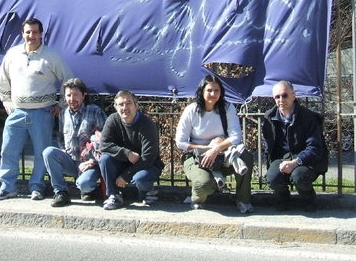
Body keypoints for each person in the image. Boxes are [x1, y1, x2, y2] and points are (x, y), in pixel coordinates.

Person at [0, 17, 75, 201]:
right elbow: (2, 80)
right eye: (28, 32)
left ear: (41, 33)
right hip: (17, 111)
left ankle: (37, 187)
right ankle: (7, 187)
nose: (31, 36)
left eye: (35, 32)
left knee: (41, 152)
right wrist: (6, 100)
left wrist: (61, 104)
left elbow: (68, 79)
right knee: (8, 150)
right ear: (23, 34)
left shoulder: (51, 56)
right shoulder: (12, 55)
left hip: (43, 112)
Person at [175, 74, 254, 213]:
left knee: (245, 156)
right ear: (202, 91)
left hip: (222, 156)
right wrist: (207, 148)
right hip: (196, 157)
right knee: (203, 184)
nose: (213, 94)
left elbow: (236, 136)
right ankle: (197, 198)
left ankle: (243, 200)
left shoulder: (227, 108)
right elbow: (180, 142)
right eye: (209, 90)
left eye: (217, 90)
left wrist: (217, 148)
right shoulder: (191, 110)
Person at [262, 80, 328, 212]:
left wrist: (295, 162)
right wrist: (274, 165)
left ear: (294, 96)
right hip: (282, 158)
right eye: (277, 96)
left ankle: (309, 200)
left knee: (299, 177)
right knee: (271, 178)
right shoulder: (269, 117)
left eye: (285, 95)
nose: (281, 99)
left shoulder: (308, 117)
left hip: (307, 160)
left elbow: (315, 148)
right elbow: (269, 147)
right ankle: (283, 199)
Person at [43, 78, 107, 207]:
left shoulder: (95, 111)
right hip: (71, 160)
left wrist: (92, 161)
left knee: (85, 184)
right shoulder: (63, 114)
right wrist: (62, 149)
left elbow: (106, 140)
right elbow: (60, 136)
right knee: (48, 152)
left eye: (76, 95)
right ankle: (61, 192)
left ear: (84, 95)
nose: (72, 99)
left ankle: (89, 189)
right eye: (68, 95)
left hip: (90, 163)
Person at [99, 90, 164, 210]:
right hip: (123, 161)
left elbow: (148, 158)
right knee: (105, 159)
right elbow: (104, 145)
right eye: (121, 104)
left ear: (136, 105)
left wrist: (125, 175)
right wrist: (126, 153)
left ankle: (148, 190)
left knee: (140, 178)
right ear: (116, 107)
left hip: (147, 165)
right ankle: (114, 195)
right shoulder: (113, 120)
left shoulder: (147, 124)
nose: (125, 108)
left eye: (128, 103)